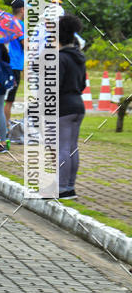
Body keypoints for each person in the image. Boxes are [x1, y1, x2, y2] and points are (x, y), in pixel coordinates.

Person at [58, 14, 86, 199]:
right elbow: (83, 83)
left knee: (63, 148)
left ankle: (61, 188)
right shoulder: (79, 57)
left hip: (64, 108)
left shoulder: (60, 59)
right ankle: (70, 186)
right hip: (78, 105)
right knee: (72, 147)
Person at [4, 0, 25, 125]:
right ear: (22, 10)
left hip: (5, 64)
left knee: (4, 98)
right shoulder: (19, 25)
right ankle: (5, 127)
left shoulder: (7, 23)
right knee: (9, 100)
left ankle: (4, 124)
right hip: (14, 65)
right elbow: (25, 44)